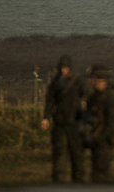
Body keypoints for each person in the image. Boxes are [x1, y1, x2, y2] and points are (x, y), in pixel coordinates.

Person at [40, 54, 89, 183]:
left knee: (77, 154)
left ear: (70, 68)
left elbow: (89, 96)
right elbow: (50, 101)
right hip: (60, 123)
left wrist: (87, 116)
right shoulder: (56, 82)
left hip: (75, 124)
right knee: (59, 155)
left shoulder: (78, 81)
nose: (64, 70)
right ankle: (58, 183)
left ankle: (79, 183)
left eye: (66, 68)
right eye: (62, 68)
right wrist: (46, 118)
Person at [84, 64, 114, 182]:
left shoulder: (111, 97)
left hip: (105, 142)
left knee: (101, 174)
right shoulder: (93, 97)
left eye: (93, 78)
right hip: (96, 142)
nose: (91, 81)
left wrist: (98, 136)